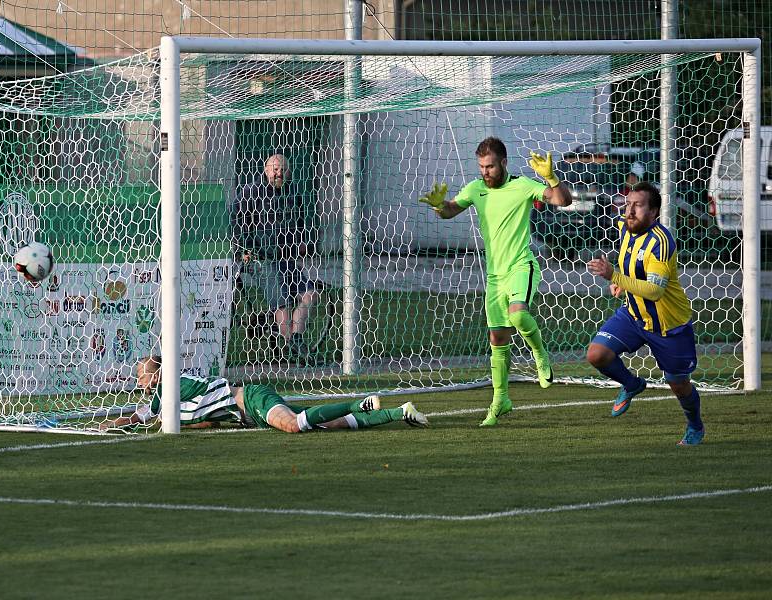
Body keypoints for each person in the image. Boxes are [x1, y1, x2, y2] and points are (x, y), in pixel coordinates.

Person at [419, 137, 573, 427]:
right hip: (494, 277)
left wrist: (550, 177)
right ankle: (500, 400)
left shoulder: (523, 185)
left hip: (521, 266)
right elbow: (451, 210)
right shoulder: (476, 188)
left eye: (490, 166)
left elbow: (563, 201)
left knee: (518, 314)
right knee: (496, 339)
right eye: (481, 167)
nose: (485, 172)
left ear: (503, 163)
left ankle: (540, 355)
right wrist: (438, 206)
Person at [586, 181, 704, 446]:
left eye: (637, 206)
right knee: (597, 354)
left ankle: (695, 425)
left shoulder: (661, 242)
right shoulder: (626, 228)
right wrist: (620, 278)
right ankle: (631, 384)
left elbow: (653, 291)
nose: (629, 211)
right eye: (628, 204)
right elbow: (629, 260)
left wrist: (614, 275)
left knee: (678, 384)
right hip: (633, 315)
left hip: (668, 325)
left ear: (654, 212)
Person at [100, 356, 429, 432]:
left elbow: (144, 415)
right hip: (248, 412)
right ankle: (400, 412)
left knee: (295, 425)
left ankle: (359, 402)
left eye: (142, 374)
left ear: (156, 373)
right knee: (334, 425)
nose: (138, 381)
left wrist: (112, 424)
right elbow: (206, 418)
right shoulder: (176, 390)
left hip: (253, 399)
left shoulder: (169, 386)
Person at [232, 153, 319, 364]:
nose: (279, 173)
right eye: (275, 169)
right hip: (259, 260)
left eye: (283, 169)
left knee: (310, 294)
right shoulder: (249, 193)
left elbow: (302, 223)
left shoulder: (294, 193)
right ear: (266, 170)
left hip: (286, 259)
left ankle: (296, 340)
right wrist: (245, 249)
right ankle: (294, 347)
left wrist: (304, 241)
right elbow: (236, 224)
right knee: (282, 302)